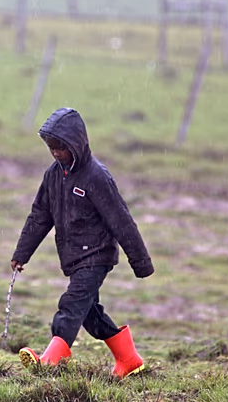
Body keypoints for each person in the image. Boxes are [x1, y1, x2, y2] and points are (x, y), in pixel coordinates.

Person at [10, 107, 153, 378]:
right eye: (51, 148)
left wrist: (141, 262)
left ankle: (51, 361)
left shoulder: (97, 176)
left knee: (72, 303)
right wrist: (22, 253)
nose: (55, 153)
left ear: (76, 143)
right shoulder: (53, 175)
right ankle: (129, 360)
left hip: (97, 256)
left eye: (60, 148)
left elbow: (121, 220)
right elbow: (40, 215)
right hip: (74, 258)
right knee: (90, 314)